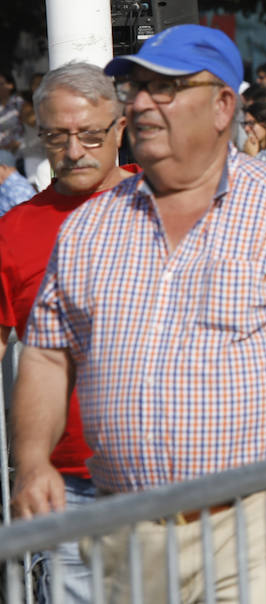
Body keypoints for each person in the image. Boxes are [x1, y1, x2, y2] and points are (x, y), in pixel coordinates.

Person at [11, 25, 266, 600]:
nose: (141, 102)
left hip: (259, 520)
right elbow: (44, 355)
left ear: (222, 105)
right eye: (137, 87)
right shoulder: (92, 227)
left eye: (165, 88)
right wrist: (31, 460)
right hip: (125, 526)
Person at [0, 62, 137, 604]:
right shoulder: (14, 233)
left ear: (120, 131)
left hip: (181, 476)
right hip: (66, 486)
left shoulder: (170, 203)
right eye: (57, 135)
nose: (74, 149)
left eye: (89, 134)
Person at [0, 69, 23, 154]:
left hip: (19, 150)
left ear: (11, 85)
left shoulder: (19, 102)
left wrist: (17, 142)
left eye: (1, 84)